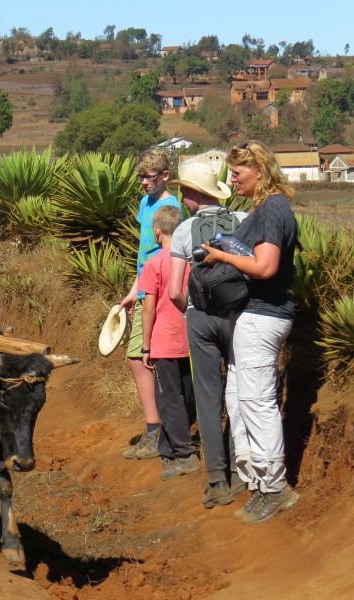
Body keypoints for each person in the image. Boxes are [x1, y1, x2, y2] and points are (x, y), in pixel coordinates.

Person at [200, 141, 299, 524]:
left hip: (264, 316)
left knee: (256, 403)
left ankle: (276, 489)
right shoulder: (263, 207)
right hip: (252, 316)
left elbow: (265, 267)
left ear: (259, 170)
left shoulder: (273, 208)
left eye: (237, 174)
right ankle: (259, 485)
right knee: (239, 398)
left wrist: (222, 256)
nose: (233, 181)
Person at [168, 162, 249, 508]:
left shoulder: (185, 230)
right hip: (238, 317)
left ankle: (217, 482)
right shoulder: (243, 223)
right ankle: (242, 473)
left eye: (185, 191)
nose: (182, 196)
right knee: (240, 393)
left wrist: (193, 309)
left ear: (198, 195)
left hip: (200, 319)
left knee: (208, 398)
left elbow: (173, 290)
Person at [119, 150, 182, 460]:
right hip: (146, 287)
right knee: (140, 358)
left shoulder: (171, 207)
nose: (144, 182)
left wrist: (148, 291)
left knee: (141, 357)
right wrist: (135, 289)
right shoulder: (146, 204)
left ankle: (157, 430)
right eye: (141, 177)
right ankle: (156, 429)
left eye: (150, 177)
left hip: (158, 288)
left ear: (165, 176)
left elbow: (167, 254)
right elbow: (143, 255)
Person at [139, 205, 198, 480]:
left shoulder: (153, 264)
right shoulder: (191, 261)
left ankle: (184, 453)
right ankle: (170, 448)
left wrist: (146, 346)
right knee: (186, 395)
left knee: (168, 400)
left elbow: (148, 309)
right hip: (191, 338)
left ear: (156, 231)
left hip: (163, 341)